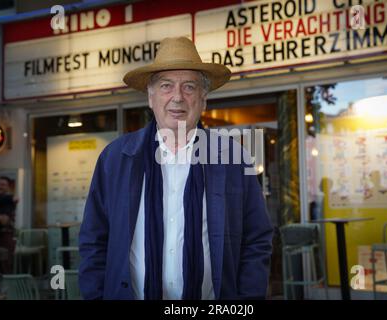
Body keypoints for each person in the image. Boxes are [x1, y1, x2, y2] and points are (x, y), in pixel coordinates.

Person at [79, 37, 273, 300]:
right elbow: (93, 240)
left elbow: (256, 239)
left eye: (189, 87)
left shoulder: (233, 159)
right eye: (166, 86)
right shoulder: (115, 159)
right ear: (150, 96)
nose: (177, 97)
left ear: (203, 100)